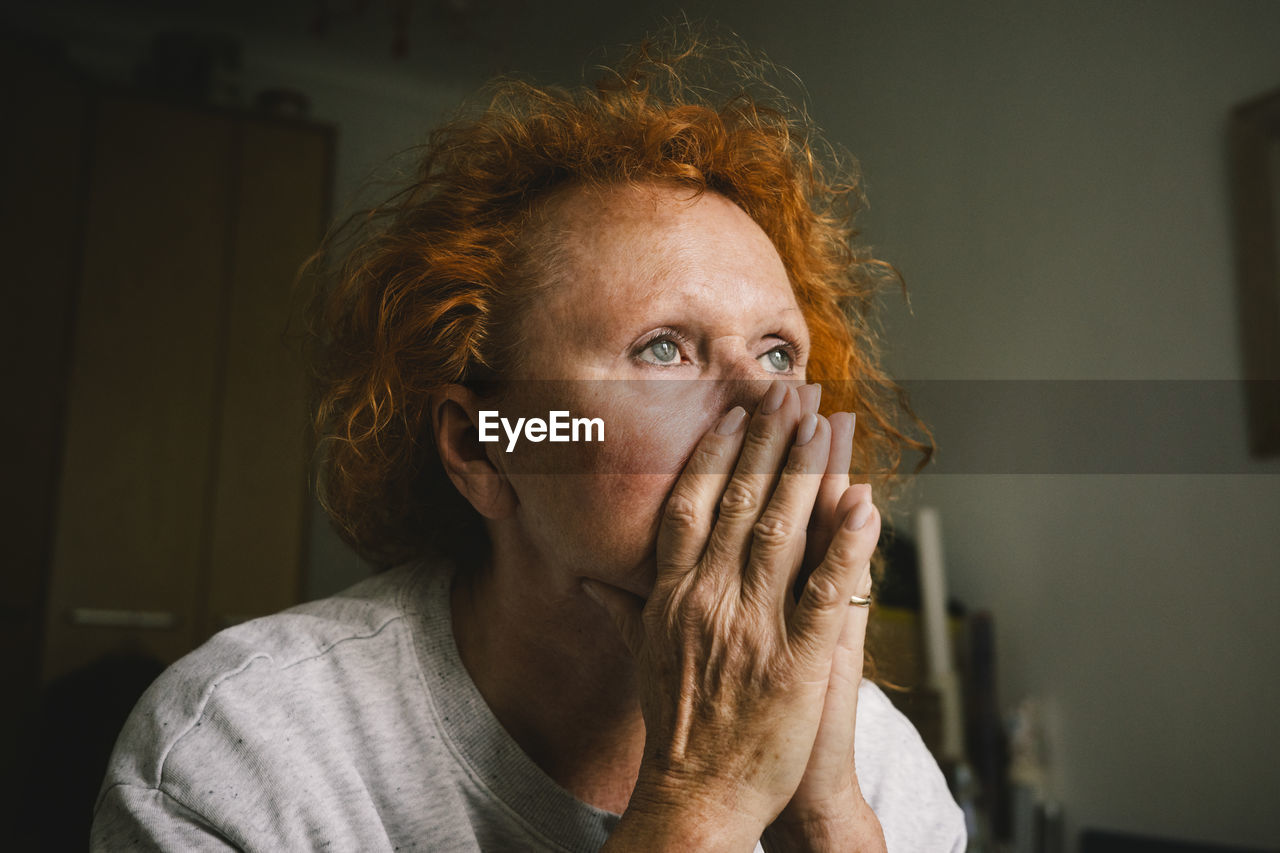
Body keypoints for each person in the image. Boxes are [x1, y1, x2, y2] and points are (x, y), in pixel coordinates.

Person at [92, 30, 965, 852]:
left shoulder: (881, 771)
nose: (766, 404)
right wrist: (704, 799)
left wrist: (825, 821)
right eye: (664, 347)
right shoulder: (235, 752)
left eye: (780, 351)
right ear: (482, 445)